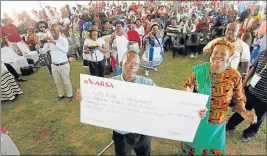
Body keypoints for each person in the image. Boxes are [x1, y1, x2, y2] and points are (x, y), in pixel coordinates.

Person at [76, 50, 207, 156]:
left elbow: (167, 100)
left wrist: (192, 107)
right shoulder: (111, 84)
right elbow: (96, 99)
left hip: (143, 132)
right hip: (121, 135)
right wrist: (85, 97)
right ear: (121, 63)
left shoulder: (147, 83)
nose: (132, 66)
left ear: (139, 67)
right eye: (128, 62)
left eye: (135, 64)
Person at [178, 39, 256, 156]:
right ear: (211, 53)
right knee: (191, 151)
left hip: (217, 127)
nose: (218, 56)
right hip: (196, 121)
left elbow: (237, 101)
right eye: (215, 52)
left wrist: (243, 112)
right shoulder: (199, 71)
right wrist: (188, 97)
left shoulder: (234, 76)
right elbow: (187, 89)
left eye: (223, 54)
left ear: (229, 57)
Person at [226, 49, 267, 143]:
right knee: (242, 109)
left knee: (258, 116)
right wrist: (243, 84)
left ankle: (249, 133)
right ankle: (230, 125)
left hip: (265, 98)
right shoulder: (263, 53)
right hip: (252, 91)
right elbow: (253, 69)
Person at [37, 24, 73, 102]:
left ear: (59, 31)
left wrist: (55, 43)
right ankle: (61, 95)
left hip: (63, 64)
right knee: (57, 82)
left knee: (66, 81)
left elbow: (65, 50)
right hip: (54, 65)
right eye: (52, 31)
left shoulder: (63, 39)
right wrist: (40, 45)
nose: (54, 32)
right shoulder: (49, 41)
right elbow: (43, 51)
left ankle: (70, 95)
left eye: (55, 30)